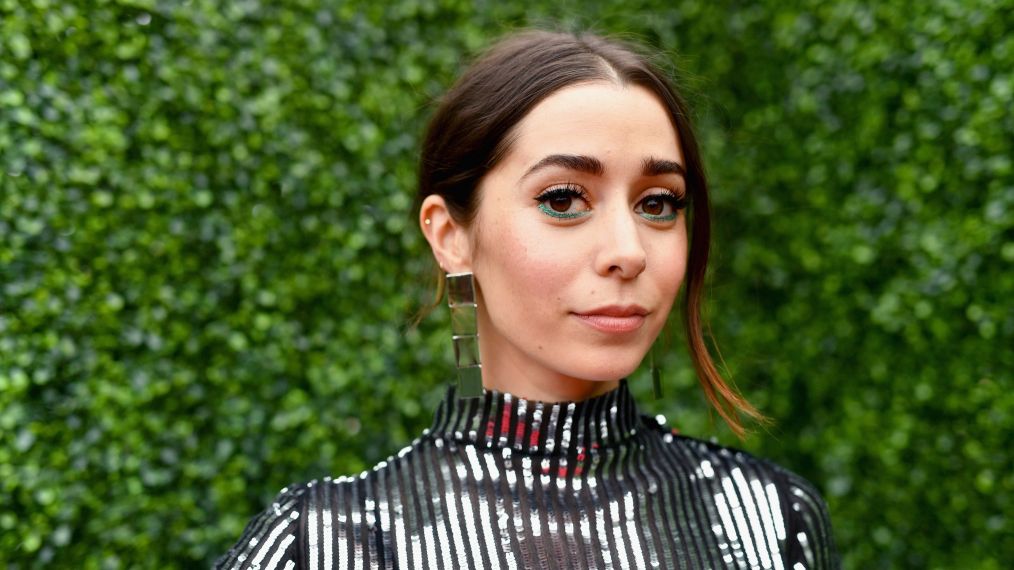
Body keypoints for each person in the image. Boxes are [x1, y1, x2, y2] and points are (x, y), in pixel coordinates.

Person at [216, 30, 839, 569]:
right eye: (563, 199)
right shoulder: (326, 545)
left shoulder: (771, 524)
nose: (629, 250)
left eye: (658, 203)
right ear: (452, 236)